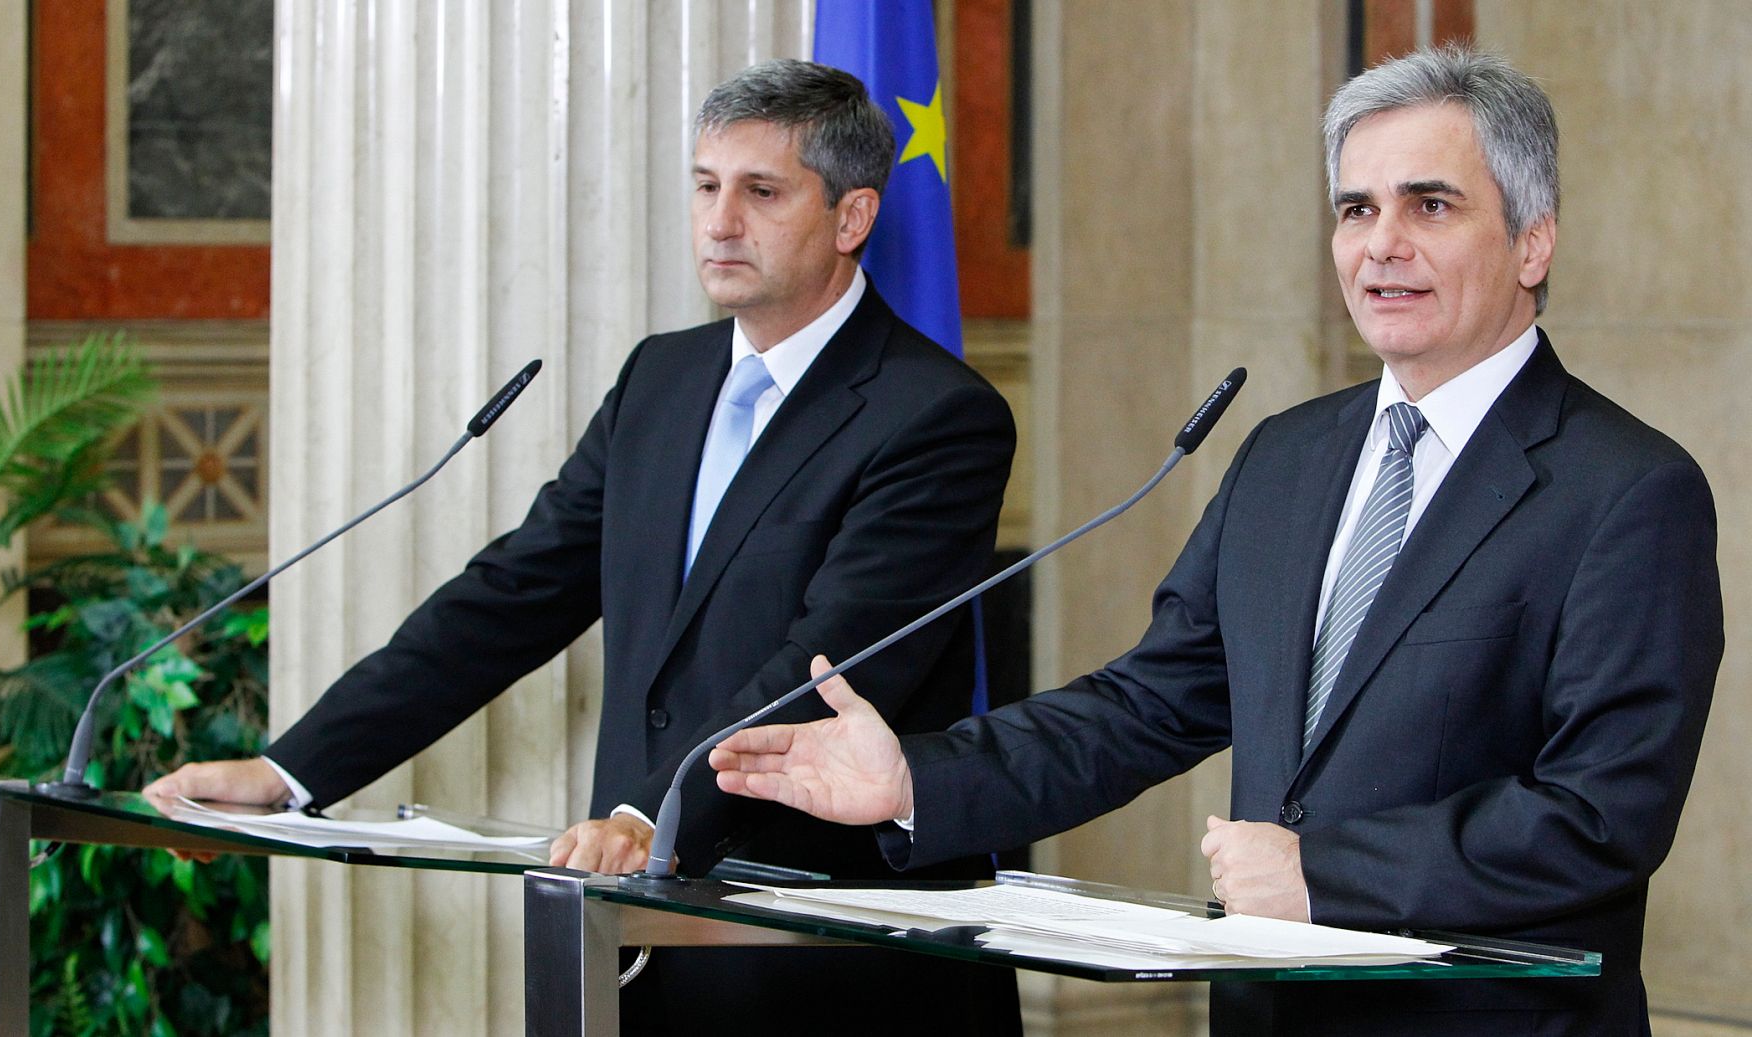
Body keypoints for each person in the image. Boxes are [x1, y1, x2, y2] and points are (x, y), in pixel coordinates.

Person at [711, 45, 1721, 1037]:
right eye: (1354, 209)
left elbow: (1600, 813)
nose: (1379, 244)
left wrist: (1320, 872)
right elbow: (1145, 704)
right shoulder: (1285, 457)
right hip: (1263, 1011)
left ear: (1531, 242)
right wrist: (917, 778)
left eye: (1430, 205)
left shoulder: (1625, 489)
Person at [146, 59, 1019, 1033]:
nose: (719, 222)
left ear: (851, 217)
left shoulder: (935, 416)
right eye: (703, 186)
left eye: (759, 192)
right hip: (633, 948)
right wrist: (291, 772)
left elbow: (822, 668)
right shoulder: (660, 377)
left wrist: (647, 817)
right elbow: (511, 595)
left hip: (827, 959)